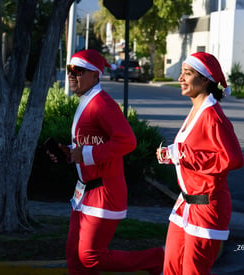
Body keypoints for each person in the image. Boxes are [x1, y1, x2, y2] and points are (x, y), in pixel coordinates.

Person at [48, 49, 164, 275]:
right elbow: (94, 143)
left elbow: (127, 141)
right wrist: (70, 152)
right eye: (70, 70)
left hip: (104, 192)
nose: (71, 75)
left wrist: (87, 154)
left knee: (90, 256)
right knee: (74, 256)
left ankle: (157, 258)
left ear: (95, 75)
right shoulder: (87, 100)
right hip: (84, 191)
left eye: (78, 70)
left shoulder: (101, 103)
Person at [156, 52, 244, 275]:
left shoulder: (213, 116)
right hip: (185, 203)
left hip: (207, 206)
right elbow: (194, 151)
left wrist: (184, 155)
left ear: (205, 79)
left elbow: (233, 159)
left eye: (187, 73)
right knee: (171, 268)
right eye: (182, 73)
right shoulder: (197, 109)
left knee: (193, 271)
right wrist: (171, 154)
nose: (181, 78)